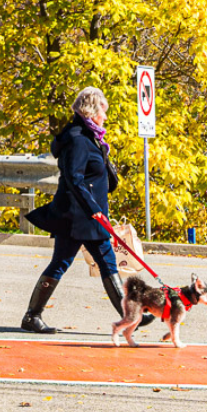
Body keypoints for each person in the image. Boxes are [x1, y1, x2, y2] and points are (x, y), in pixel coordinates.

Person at [20, 87, 152, 334]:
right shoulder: (78, 139)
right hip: (78, 216)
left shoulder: (89, 136)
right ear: (92, 110)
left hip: (85, 216)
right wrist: (94, 210)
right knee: (71, 263)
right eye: (104, 110)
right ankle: (32, 316)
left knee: (98, 262)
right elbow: (74, 178)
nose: (106, 116)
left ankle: (33, 316)